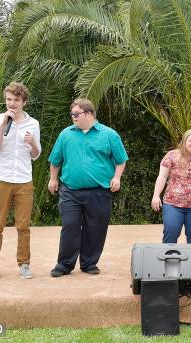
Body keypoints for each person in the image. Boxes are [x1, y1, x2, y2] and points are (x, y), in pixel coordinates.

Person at [47, 98, 128, 277]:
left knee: (96, 227)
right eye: (72, 115)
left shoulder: (109, 135)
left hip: (99, 191)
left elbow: (121, 160)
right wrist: (53, 179)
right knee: (70, 225)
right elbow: (55, 160)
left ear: (89, 114)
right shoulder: (66, 134)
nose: (73, 118)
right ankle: (64, 264)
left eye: (77, 114)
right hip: (70, 190)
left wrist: (117, 177)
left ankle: (89, 263)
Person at [0, 82, 41, 280]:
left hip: (24, 180)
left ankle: (24, 264)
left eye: (16, 100)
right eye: (9, 99)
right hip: (2, 179)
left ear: (23, 102)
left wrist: (32, 142)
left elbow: (36, 154)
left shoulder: (33, 124)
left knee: (23, 226)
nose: (12, 103)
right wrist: (3, 123)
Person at [151, 129, 191, 243]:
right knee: (171, 232)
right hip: (173, 204)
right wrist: (156, 195)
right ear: (184, 141)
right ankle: (169, 258)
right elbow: (162, 176)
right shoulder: (171, 155)